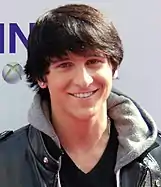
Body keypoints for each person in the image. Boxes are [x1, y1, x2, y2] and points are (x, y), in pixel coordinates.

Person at [0, 3, 161, 187]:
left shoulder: (156, 159)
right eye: (65, 65)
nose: (83, 80)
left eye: (93, 62)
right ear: (41, 77)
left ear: (114, 68)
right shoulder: (6, 160)